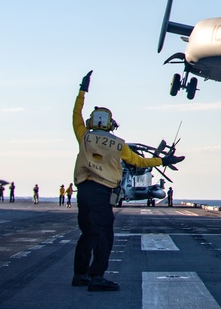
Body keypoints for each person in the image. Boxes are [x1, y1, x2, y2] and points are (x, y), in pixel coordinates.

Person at [71, 70, 183, 292]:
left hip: (83, 191)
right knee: (105, 235)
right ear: (110, 123)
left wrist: (82, 90)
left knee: (87, 233)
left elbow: (75, 113)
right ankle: (97, 277)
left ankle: (80, 274)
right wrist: (162, 160)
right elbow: (139, 162)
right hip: (103, 193)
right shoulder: (119, 144)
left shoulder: (83, 135)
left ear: (93, 121)